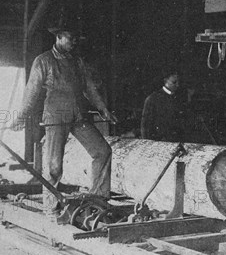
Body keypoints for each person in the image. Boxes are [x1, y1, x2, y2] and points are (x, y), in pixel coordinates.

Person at [15, 24, 117, 214]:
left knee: (103, 151)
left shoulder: (77, 62)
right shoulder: (43, 61)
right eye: (71, 38)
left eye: (76, 38)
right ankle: (50, 207)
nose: (74, 42)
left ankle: (98, 200)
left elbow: (90, 89)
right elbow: (31, 92)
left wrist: (103, 109)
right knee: (54, 166)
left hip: (79, 116)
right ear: (59, 37)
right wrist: (21, 117)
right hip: (56, 117)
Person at [140, 70, 183, 141]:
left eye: (178, 82)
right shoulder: (153, 99)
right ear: (165, 81)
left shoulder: (178, 98)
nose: (177, 85)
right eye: (174, 82)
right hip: (159, 141)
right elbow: (145, 125)